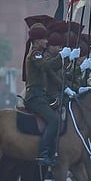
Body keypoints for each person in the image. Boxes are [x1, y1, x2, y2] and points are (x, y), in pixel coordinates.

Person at [23, 21, 64, 166]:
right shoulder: (35, 54)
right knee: (54, 120)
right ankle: (44, 153)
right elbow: (46, 66)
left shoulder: (39, 54)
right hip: (34, 97)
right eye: (44, 39)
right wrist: (61, 56)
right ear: (36, 41)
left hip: (42, 96)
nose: (46, 42)